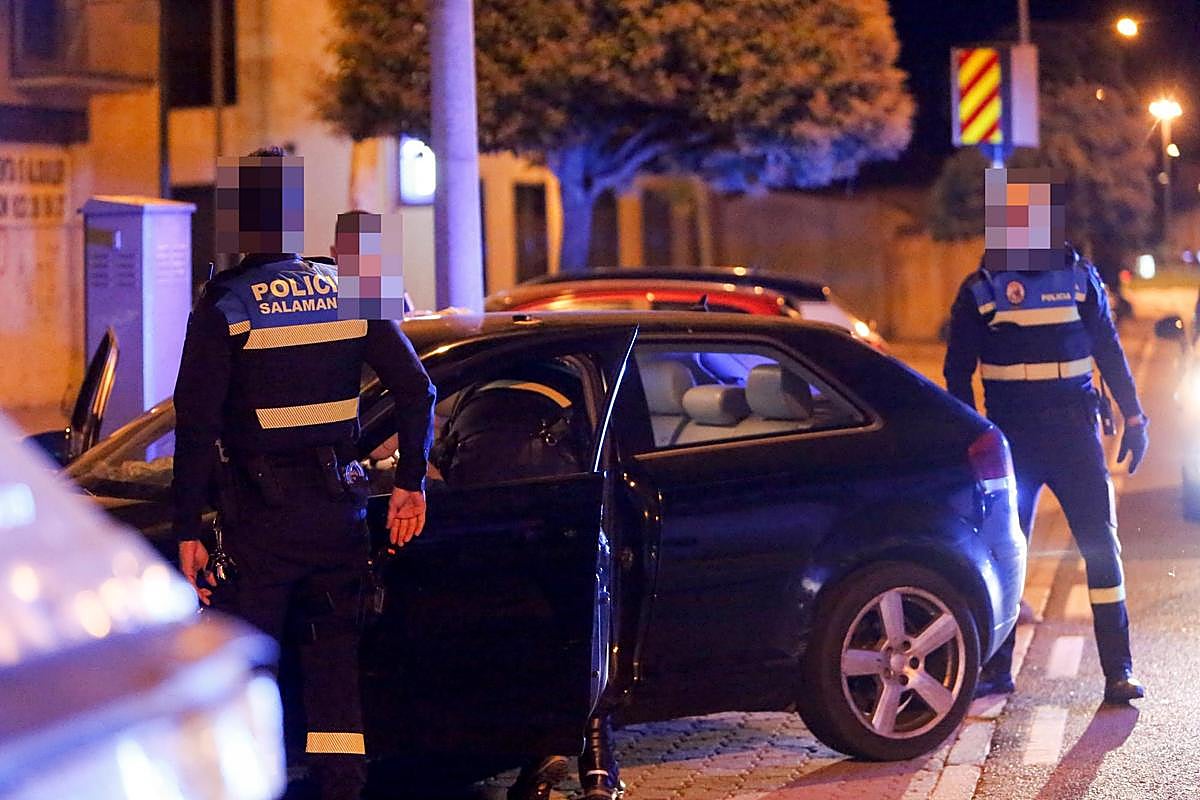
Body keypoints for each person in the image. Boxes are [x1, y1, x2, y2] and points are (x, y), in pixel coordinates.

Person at [173, 147, 435, 800]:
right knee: (334, 678)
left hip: (262, 522)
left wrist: (188, 531)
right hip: (339, 516)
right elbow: (417, 391)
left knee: (249, 674)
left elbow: (196, 428)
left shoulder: (225, 306)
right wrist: (409, 483)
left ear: (238, 220)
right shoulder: (346, 284)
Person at [943, 168, 1147, 705]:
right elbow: (956, 373)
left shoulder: (1080, 277)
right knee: (1008, 552)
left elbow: (1108, 348)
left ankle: (1118, 669)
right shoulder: (981, 289)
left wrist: (1136, 416)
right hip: (1012, 440)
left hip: (1075, 435)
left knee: (1101, 549)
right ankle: (996, 668)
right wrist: (973, 436)